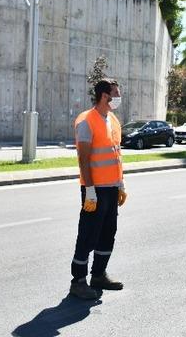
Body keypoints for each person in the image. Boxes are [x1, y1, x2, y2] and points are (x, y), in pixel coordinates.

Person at [69, 78, 127, 300]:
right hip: (95, 190)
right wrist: (90, 190)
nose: (118, 98)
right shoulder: (86, 120)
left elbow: (116, 155)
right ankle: (78, 281)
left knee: (107, 233)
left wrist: (121, 184)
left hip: (111, 189)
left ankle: (99, 274)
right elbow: (83, 159)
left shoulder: (112, 120)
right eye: (116, 94)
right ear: (105, 96)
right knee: (88, 235)